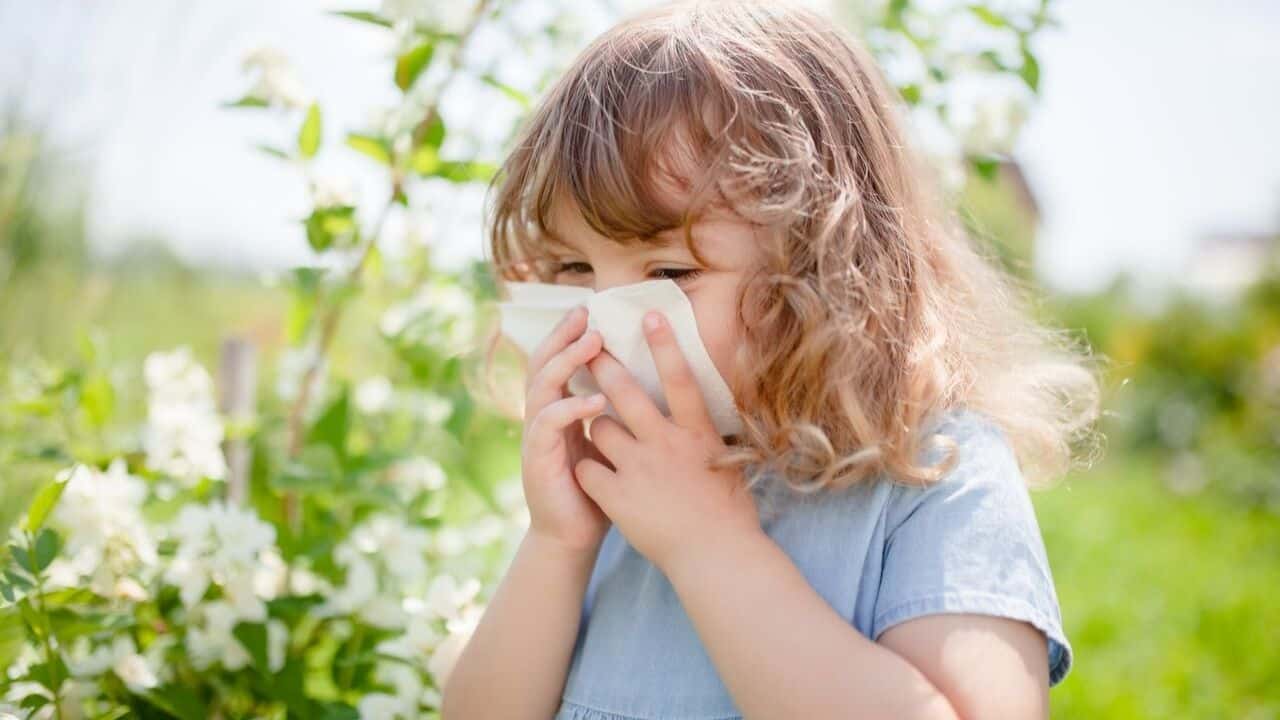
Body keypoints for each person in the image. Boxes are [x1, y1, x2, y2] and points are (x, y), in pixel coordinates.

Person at [444, 1, 1103, 718]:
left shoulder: (932, 473)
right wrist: (557, 544)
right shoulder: (614, 490)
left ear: (824, 266)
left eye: (669, 275)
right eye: (573, 267)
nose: (606, 323)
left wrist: (708, 545)